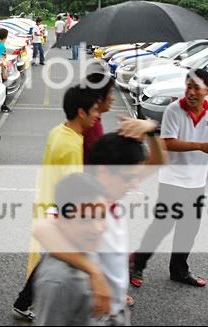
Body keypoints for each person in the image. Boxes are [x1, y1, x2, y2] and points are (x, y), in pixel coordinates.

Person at [33, 129, 166, 326]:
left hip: (113, 310)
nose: (135, 186)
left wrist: (152, 131)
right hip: (92, 312)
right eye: (129, 178)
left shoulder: (112, 197)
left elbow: (158, 162)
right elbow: (41, 228)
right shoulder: (82, 201)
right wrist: (95, 273)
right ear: (104, 170)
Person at [130, 69, 208, 288]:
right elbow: (167, 142)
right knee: (162, 226)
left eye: (196, 88)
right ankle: (137, 265)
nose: (190, 92)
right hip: (172, 179)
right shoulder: (174, 110)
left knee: (188, 229)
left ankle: (179, 271)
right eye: (188, 86)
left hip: (197, 183)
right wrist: (201, 146)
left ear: (207, 90)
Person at [13, 86, 101, 321]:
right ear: (81, 112)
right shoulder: (72, 145)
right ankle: (35, 304)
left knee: (50, 258)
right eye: (94, 110)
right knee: (59, 261)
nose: (97, 116)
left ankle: (23, 301)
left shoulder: (59, 131)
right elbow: (74, 190)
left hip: (46, 201)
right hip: (57, 211)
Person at [33, 173, 108, 326]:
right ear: (62, 221)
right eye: (85, 219)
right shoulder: (58, 281)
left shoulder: (85, 245)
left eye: (101, 216)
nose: (97, 228)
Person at [0, 28, 12, 113]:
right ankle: (4, 106)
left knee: (4, 86)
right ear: (6, 36)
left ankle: (4, 105)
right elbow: (0, 58)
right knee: (4, 86)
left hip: (1, 66)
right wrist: (3, 70)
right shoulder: (1, 46)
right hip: (2, 67)